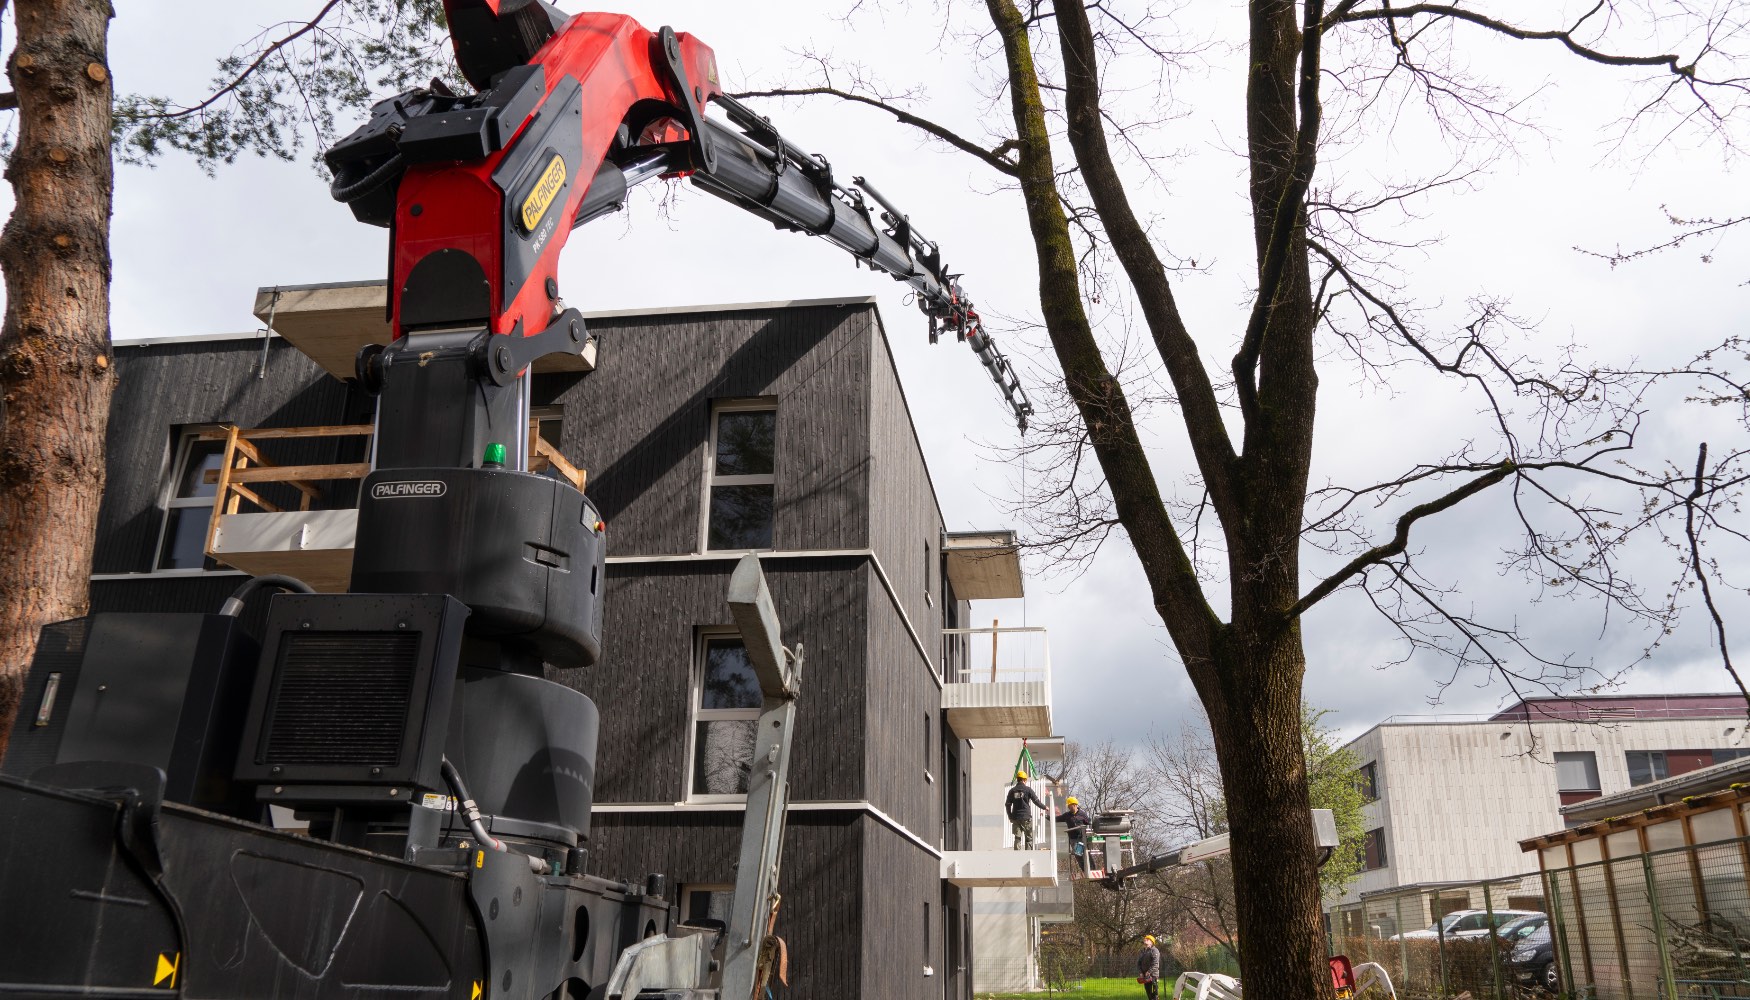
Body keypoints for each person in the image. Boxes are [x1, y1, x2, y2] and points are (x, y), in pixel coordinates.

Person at [1005, 770, 1047, 850]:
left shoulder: (1012, 791)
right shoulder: (1028, 790)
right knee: (1029, 838)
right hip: (1026, 817)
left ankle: (1017, 856)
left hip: (1016, 818)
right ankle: (1028, 856)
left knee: (1017, 838)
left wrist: (1010, 816)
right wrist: (1045, 807)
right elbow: (1036, 801)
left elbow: (1007, 805)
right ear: (1024, 780)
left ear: (1017, 779)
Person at [1058, 795, 1092, 875]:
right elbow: (1057, 819)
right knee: (1078, 855)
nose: (1069, 808)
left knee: (1085, 854)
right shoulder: (1067, 815)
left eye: (1070, 806)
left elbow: (1089, 822)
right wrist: (1047, 816)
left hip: (1081, 838)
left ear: (1075, 805)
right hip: (1073, 839)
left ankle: (1092, 869)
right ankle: (1085, 870)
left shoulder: (1082, 814)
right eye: (1068, 806)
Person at [1137, 934, 1162, 1000]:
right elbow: (1139, 963)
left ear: (1152, 942)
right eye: (1145, 939)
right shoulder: (1142, 951)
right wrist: (1141, 973)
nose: (1145, 940)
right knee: (1149, 994)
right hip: (1145, 976)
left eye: (1148, 939)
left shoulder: (1154, 950)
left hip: (1153, 975)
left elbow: (1155, 964)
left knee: (1155, 995)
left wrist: (1149, 971)